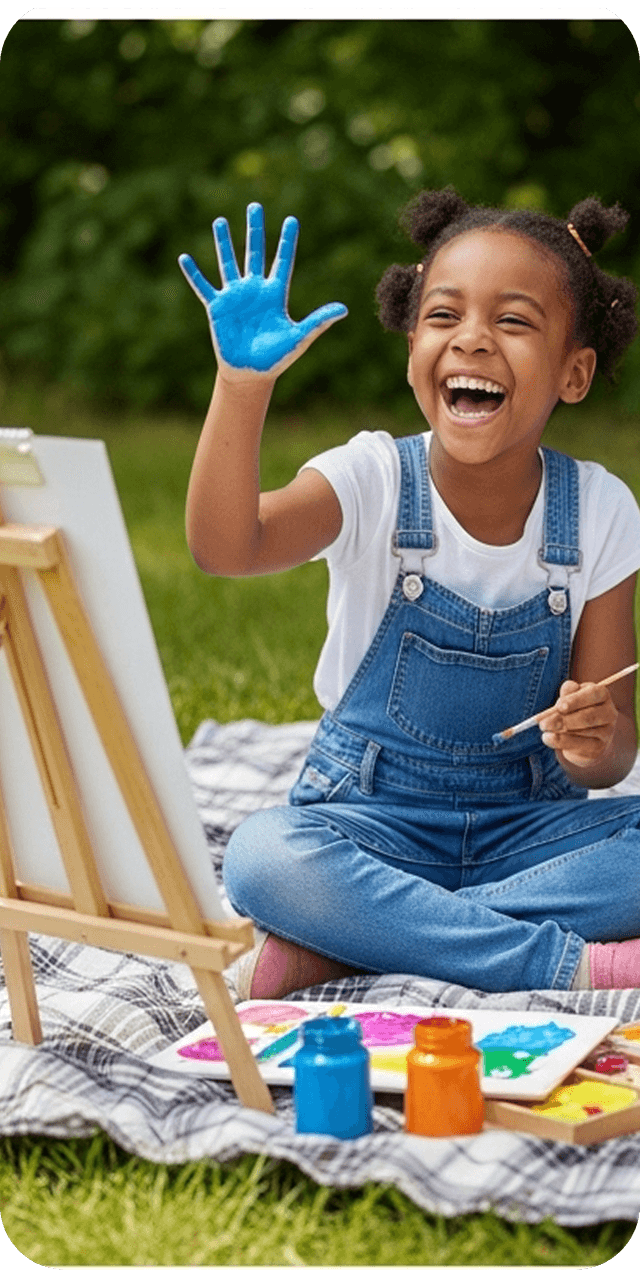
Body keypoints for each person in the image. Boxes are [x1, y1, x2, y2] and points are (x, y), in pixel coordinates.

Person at [179, 189, 640, 1001]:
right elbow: (226, 547)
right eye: (444, 315)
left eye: (514, 321)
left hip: (529, 830)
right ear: (411, 346)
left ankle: (352, 944)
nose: (472, 339)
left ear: (575, 373)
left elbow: (611, 757)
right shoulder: (371, 478)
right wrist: (240, 386)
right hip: (368, 822)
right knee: (263, 855)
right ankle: (558, 961)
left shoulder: (602, 510)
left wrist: (593, 738)